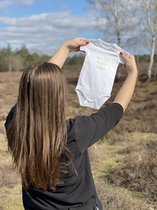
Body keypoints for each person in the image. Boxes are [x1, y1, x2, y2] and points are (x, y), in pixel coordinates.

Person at [4, 38, 138, 210]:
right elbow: (116, 110)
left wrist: (65, 48)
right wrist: (133, 73)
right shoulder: (75, 133)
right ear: (57, 96)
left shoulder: (14, 123)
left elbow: (36, 86)